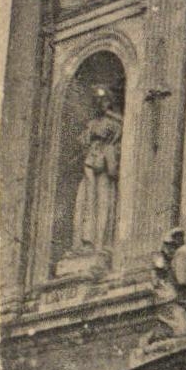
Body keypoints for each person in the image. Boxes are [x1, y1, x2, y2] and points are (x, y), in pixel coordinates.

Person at [71, 88, 123, 252]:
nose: (100, 103)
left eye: (104, 100)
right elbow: (83, 141)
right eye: (97, 100)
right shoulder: (92, 124)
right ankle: (85, 242)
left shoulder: (114, 123)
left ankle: (100, 242)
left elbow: (118, 138)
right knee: (86, 202)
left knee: (103, 203)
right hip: (91, 167)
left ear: (110, 102)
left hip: (105, 168)